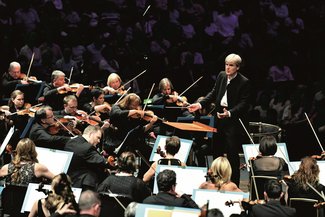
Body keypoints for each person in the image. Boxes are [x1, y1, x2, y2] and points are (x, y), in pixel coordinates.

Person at [188, 53, 251, 185]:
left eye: (231, 65)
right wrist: (200, 104)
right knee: (216, 153)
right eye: (226, 64)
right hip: (218, 120)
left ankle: (234, 185)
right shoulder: (222, 76)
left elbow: (244, 104)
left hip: (232, 123)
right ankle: (216, 182)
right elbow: (213, 93)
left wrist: (229, 113)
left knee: (232, 156)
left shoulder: (244, 82)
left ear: (238, 67)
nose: (228, 68)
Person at [64, 125, 108, 191]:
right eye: (98, 137)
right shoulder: (88, 148)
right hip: (82, 184)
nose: (99, 141)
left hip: (67, 180)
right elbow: (102, 162)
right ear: (91, 134)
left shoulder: (71, 141)